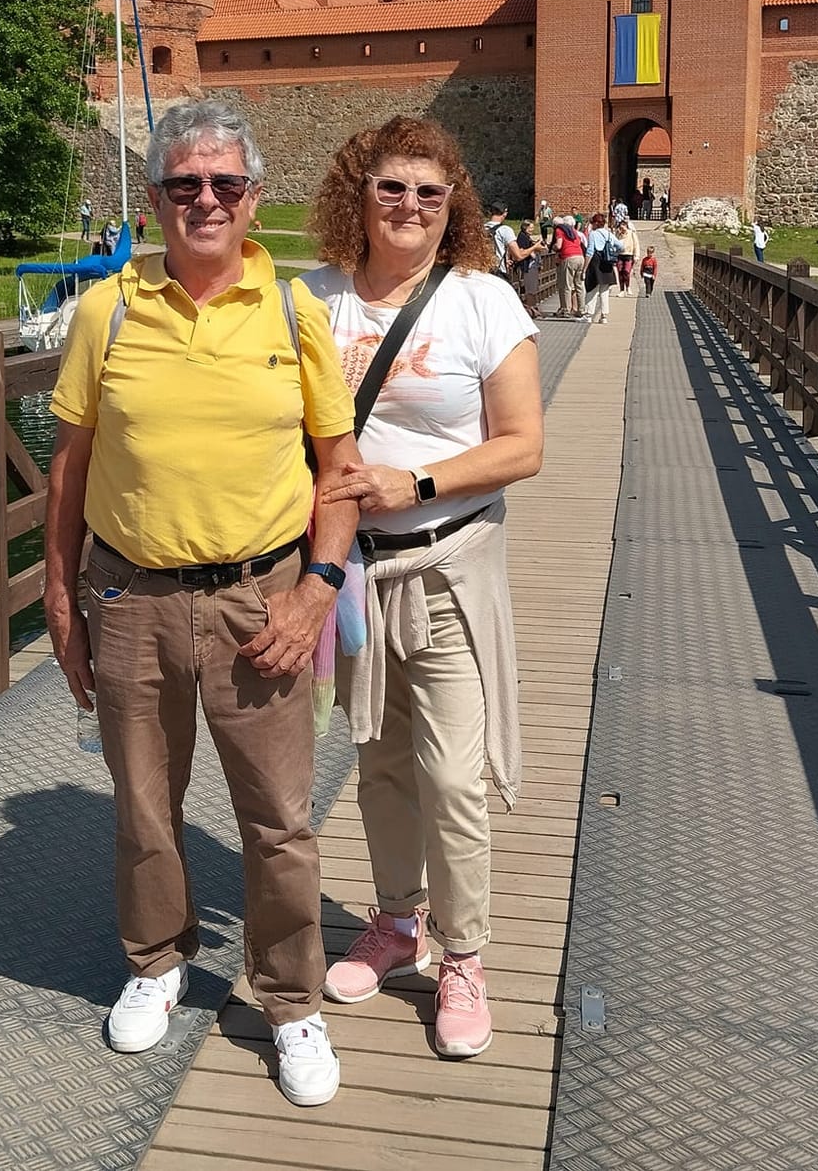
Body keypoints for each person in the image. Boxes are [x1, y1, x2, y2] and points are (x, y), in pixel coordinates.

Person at [43, 98, 360, 1107]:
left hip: (258, 599)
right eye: (185, 185)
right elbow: (68, 466)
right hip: (129, 594)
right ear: (155, 200)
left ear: (254, 197)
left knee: (275, 819)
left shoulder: (290, 309)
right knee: (142, 804)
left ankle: (290, 999)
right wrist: (57, 593)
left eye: (225, 184)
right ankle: (155, 963)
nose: (206, 201)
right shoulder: (108, 309)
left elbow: (338, 469)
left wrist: (315, 592)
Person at [299, 115, 544, 1060]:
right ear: (356, 193)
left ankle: (464, 953)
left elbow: (525, 445)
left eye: (429, 193)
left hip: (447, 564)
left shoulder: (483, 303)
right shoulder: (313, 301)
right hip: (352, 573)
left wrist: (416, 483)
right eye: (391, 186)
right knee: (379, 763)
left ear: (454, 208)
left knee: (450, 775)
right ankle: (396, 920)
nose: (408, 206)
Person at [583, 213, 620, 323]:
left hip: (596, 262)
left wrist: (584, 268)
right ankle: (604, 316)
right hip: (606, 263)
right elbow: (620, 245)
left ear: (595, 223)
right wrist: (614, 252)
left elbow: (590, 251)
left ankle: (588, 314)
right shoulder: (609, 234)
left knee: (592, 288)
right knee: (604, 291)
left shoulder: (593, 234)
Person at [553, 215, 587, 317]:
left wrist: (554, 248)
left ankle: (566, 310)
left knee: (567, 285)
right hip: (580, 257)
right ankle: (581, 309)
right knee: (579, 285)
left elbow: (559, 245)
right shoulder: (574, 232)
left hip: (569, 257)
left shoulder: (559, 230)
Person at [485, 204, 518, 284]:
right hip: (498, 272)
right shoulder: (505, 229)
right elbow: (518, 255)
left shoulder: (481, 228)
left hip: (483, 273)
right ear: (505, 213)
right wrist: (535, 247)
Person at [614, 214, 640, 294]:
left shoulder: (631, 233)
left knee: (626, 271)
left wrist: (636, 255)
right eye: (620, 228)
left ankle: (628, 286)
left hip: (629, 254)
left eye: (623, 227)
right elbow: (614, 244)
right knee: (620, 272)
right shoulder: (618, 235)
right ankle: (622, 290)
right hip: (620, 255)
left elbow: (636, 244)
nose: (622, 229)